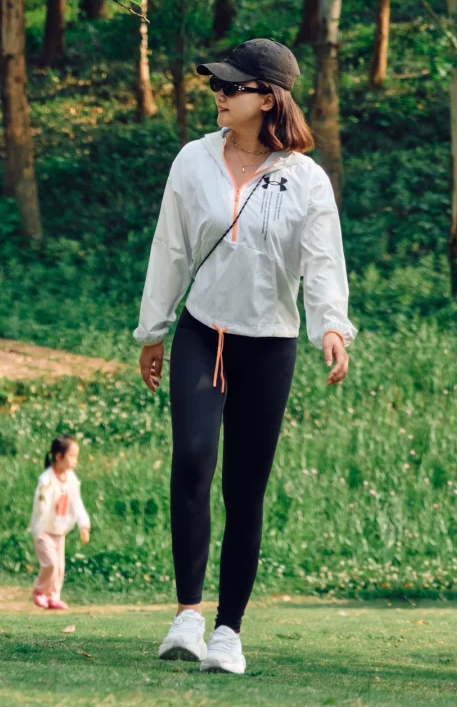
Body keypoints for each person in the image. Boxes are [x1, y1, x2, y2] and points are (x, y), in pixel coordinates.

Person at [135, 38, 355, 674]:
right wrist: (155, 330)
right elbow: (169, 248)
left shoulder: (305, 179)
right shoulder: (192, 161)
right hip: (203, 334)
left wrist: (331, 328)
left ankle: (228, 632)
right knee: (193, 461)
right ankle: (186, 617)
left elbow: (322, 262)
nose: (219, 94)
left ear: (267, 98)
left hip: (270, 345)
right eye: (217, 85)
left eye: (231, 87)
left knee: (246, 488)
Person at [29, 434, 91, 610]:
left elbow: (76, 502)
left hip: (59, 530)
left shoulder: (71, 479)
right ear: (59, 456)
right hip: (43, 530)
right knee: (51, 564)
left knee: (60, 567)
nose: (75, 461)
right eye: (72, 456)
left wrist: (84, 524)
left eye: (76, 456)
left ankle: (53, 597)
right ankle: (40, 591)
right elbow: (41, 505)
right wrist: (44, 497)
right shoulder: (46, 479)